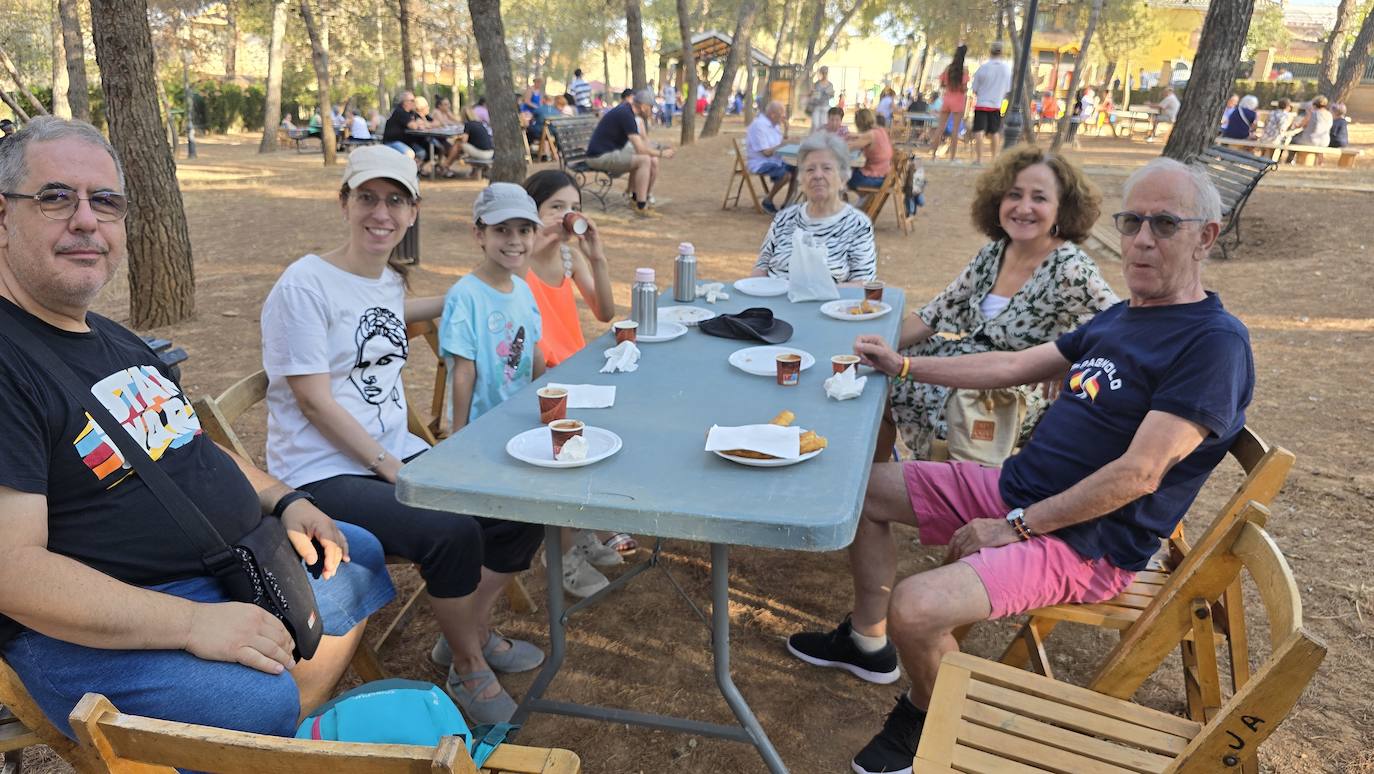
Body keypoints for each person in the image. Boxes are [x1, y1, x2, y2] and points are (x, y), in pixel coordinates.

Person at [788, 156, 1254, 774]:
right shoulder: (1125, 317)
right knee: (859, 490)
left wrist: (1019, 525)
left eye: (1164, 224)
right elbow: (1013, 365)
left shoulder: (1213, 344)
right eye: (1133, 221)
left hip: (1085, 543)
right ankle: (867, 643)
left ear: (1206, 237)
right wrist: (904, 366)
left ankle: (924, 718)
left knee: (919, 608)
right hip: (1014, 488)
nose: (1142, 239)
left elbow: (1139, 474)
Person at [0, 116, 395, 741]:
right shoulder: (8, 359)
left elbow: (186, 442)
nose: (85, 220)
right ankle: (266, 740)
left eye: (105, 202)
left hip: (232, 560)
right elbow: (11, 572)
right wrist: (191, 624)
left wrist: (284, 499)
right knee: (250, 699)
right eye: (55, 197)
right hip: (109, 615)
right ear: (1, 217)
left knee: (357, 554)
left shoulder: (111, 337)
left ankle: (275, 743)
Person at [260, 148, 543, 724]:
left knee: (519, 507)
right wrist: (391, 464)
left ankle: (471, 628)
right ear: (344, 202)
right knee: (450, 529)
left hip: (392, 455)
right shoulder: (304, 285)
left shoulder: (386, 281)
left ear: (413, 211)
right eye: (367, 197)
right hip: (323, 472)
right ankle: (468, 664)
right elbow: (312, 399)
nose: (380, 212)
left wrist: (473, 293)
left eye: (395, 200)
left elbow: (391, 309)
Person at [878, 145, 1119, 461]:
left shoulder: (1070, 268)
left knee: (951, 394)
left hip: (1018, 390)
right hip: (971, 367)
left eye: (1040, 198)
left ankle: (940, 490)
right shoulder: (993, 254)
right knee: (880, 375)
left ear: (1062, 209)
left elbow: (1119, 329)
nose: (1024, 207)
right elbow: (933, 315)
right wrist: (878, 348)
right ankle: (876, 487)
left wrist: (1068, 363)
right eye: (1014, 195)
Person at [519, 170, 634, 596]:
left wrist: (596, 255)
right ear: (531, 212)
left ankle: (582, 527)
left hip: (576, 374)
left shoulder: (567, 258)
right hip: (540, 382)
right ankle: (560, 550)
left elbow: (605, 311)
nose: (566, 216)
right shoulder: (516, 261)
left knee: (625, 420)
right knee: (573, 450)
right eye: (555, 208)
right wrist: (532, 242)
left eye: (572, 208)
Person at [752, 132, 877, 284]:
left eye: (827, 168)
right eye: (810, 169)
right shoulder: (784, 218)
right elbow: (761, 268)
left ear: (843, 178)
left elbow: (862, 284)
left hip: (828, 307)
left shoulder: (858, 224)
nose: (817, 175)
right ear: (801, 179)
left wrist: (809, 293)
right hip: (772, 305)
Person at [585, 88, 675, 218]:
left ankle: (636, 197)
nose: (652, 111)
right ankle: (641, 206)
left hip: (610, 151)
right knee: (644, 160)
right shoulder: (626, 115)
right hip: (598, 157)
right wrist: (662, 154)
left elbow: (641, 144)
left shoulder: (627, 111)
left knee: (651, 159)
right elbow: (640, 149)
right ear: (643, 107)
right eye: (651, 107)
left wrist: (659, 149)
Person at [745, 100, 793, 213]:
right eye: (782, 114)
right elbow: (766, 152)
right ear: (772, 114)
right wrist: (783, 145)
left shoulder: (774, 125)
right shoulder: (759, 126)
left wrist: (786, 132)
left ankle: (787, 203)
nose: (784, 117)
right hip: (760, 162)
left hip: (774, 160)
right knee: (786, 175)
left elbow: (779, 145)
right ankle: (768, 200)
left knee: (797, 170)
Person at [969, 41, 1012, 164]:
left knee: (979, 131)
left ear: (990, 51)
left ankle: (979, 158)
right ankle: (994, 158)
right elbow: (1007, 89)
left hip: (982, 103)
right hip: (996, 104)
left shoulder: (983, 67)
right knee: (994, 132)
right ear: (1002, 52)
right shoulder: (1006, 69)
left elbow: (975, 88)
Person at [931, 45, 970, 160]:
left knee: (940, 128)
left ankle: (933, 155)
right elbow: (964, 87)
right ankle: (952, 157)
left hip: (947, 99)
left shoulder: (948, 68)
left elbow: (942, 84)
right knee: (955, 130)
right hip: (958, 100)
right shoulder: (964, 70)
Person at [847, 107, 893, 194]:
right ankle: (864, 201)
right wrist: (855, 136)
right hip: (885, 174)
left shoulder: (870, 135)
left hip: (876, 178)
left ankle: (860, 202)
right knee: (851, 171)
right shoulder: (881, 130)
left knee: (844, 176)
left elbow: (849, 147)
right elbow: (863, 137)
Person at [382, 91, 428, 166]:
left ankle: (411, 171)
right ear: (405, 102)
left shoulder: (411, 112)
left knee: (421, 152)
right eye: (412, 100)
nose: (414, 102)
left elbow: (425, 124)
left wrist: (421, 123)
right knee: (410, 154)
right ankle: (407, 173)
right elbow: (414, 126)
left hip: (405, 142)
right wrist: (418, 124)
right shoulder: (399, 111)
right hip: (392, 142)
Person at [808, 66, 836, 131]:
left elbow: (832, 97)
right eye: (823, 72)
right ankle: (814, 138)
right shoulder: (817, 84)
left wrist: (832, 94)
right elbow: (812, 95)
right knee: (815, 124)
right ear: (821, 73)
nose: (825, 74)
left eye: (826, 73)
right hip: (817, 106)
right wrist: (812, 93)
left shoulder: (830, 85)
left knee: (824, 125)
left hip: (826, 107)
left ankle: (822, 139)